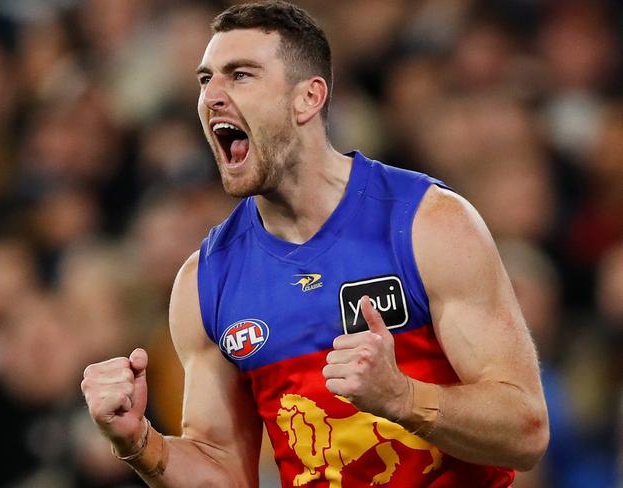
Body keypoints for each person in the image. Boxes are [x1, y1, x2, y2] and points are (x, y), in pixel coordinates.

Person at [81, 2, 549, 486]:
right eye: (205, 79)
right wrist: (139, 443)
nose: (212, 96)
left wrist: (404, 398)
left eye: (240, 75)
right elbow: (224, 471)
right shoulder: (206, 282)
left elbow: (526, 429)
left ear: (308, 98)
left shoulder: (429, 223)